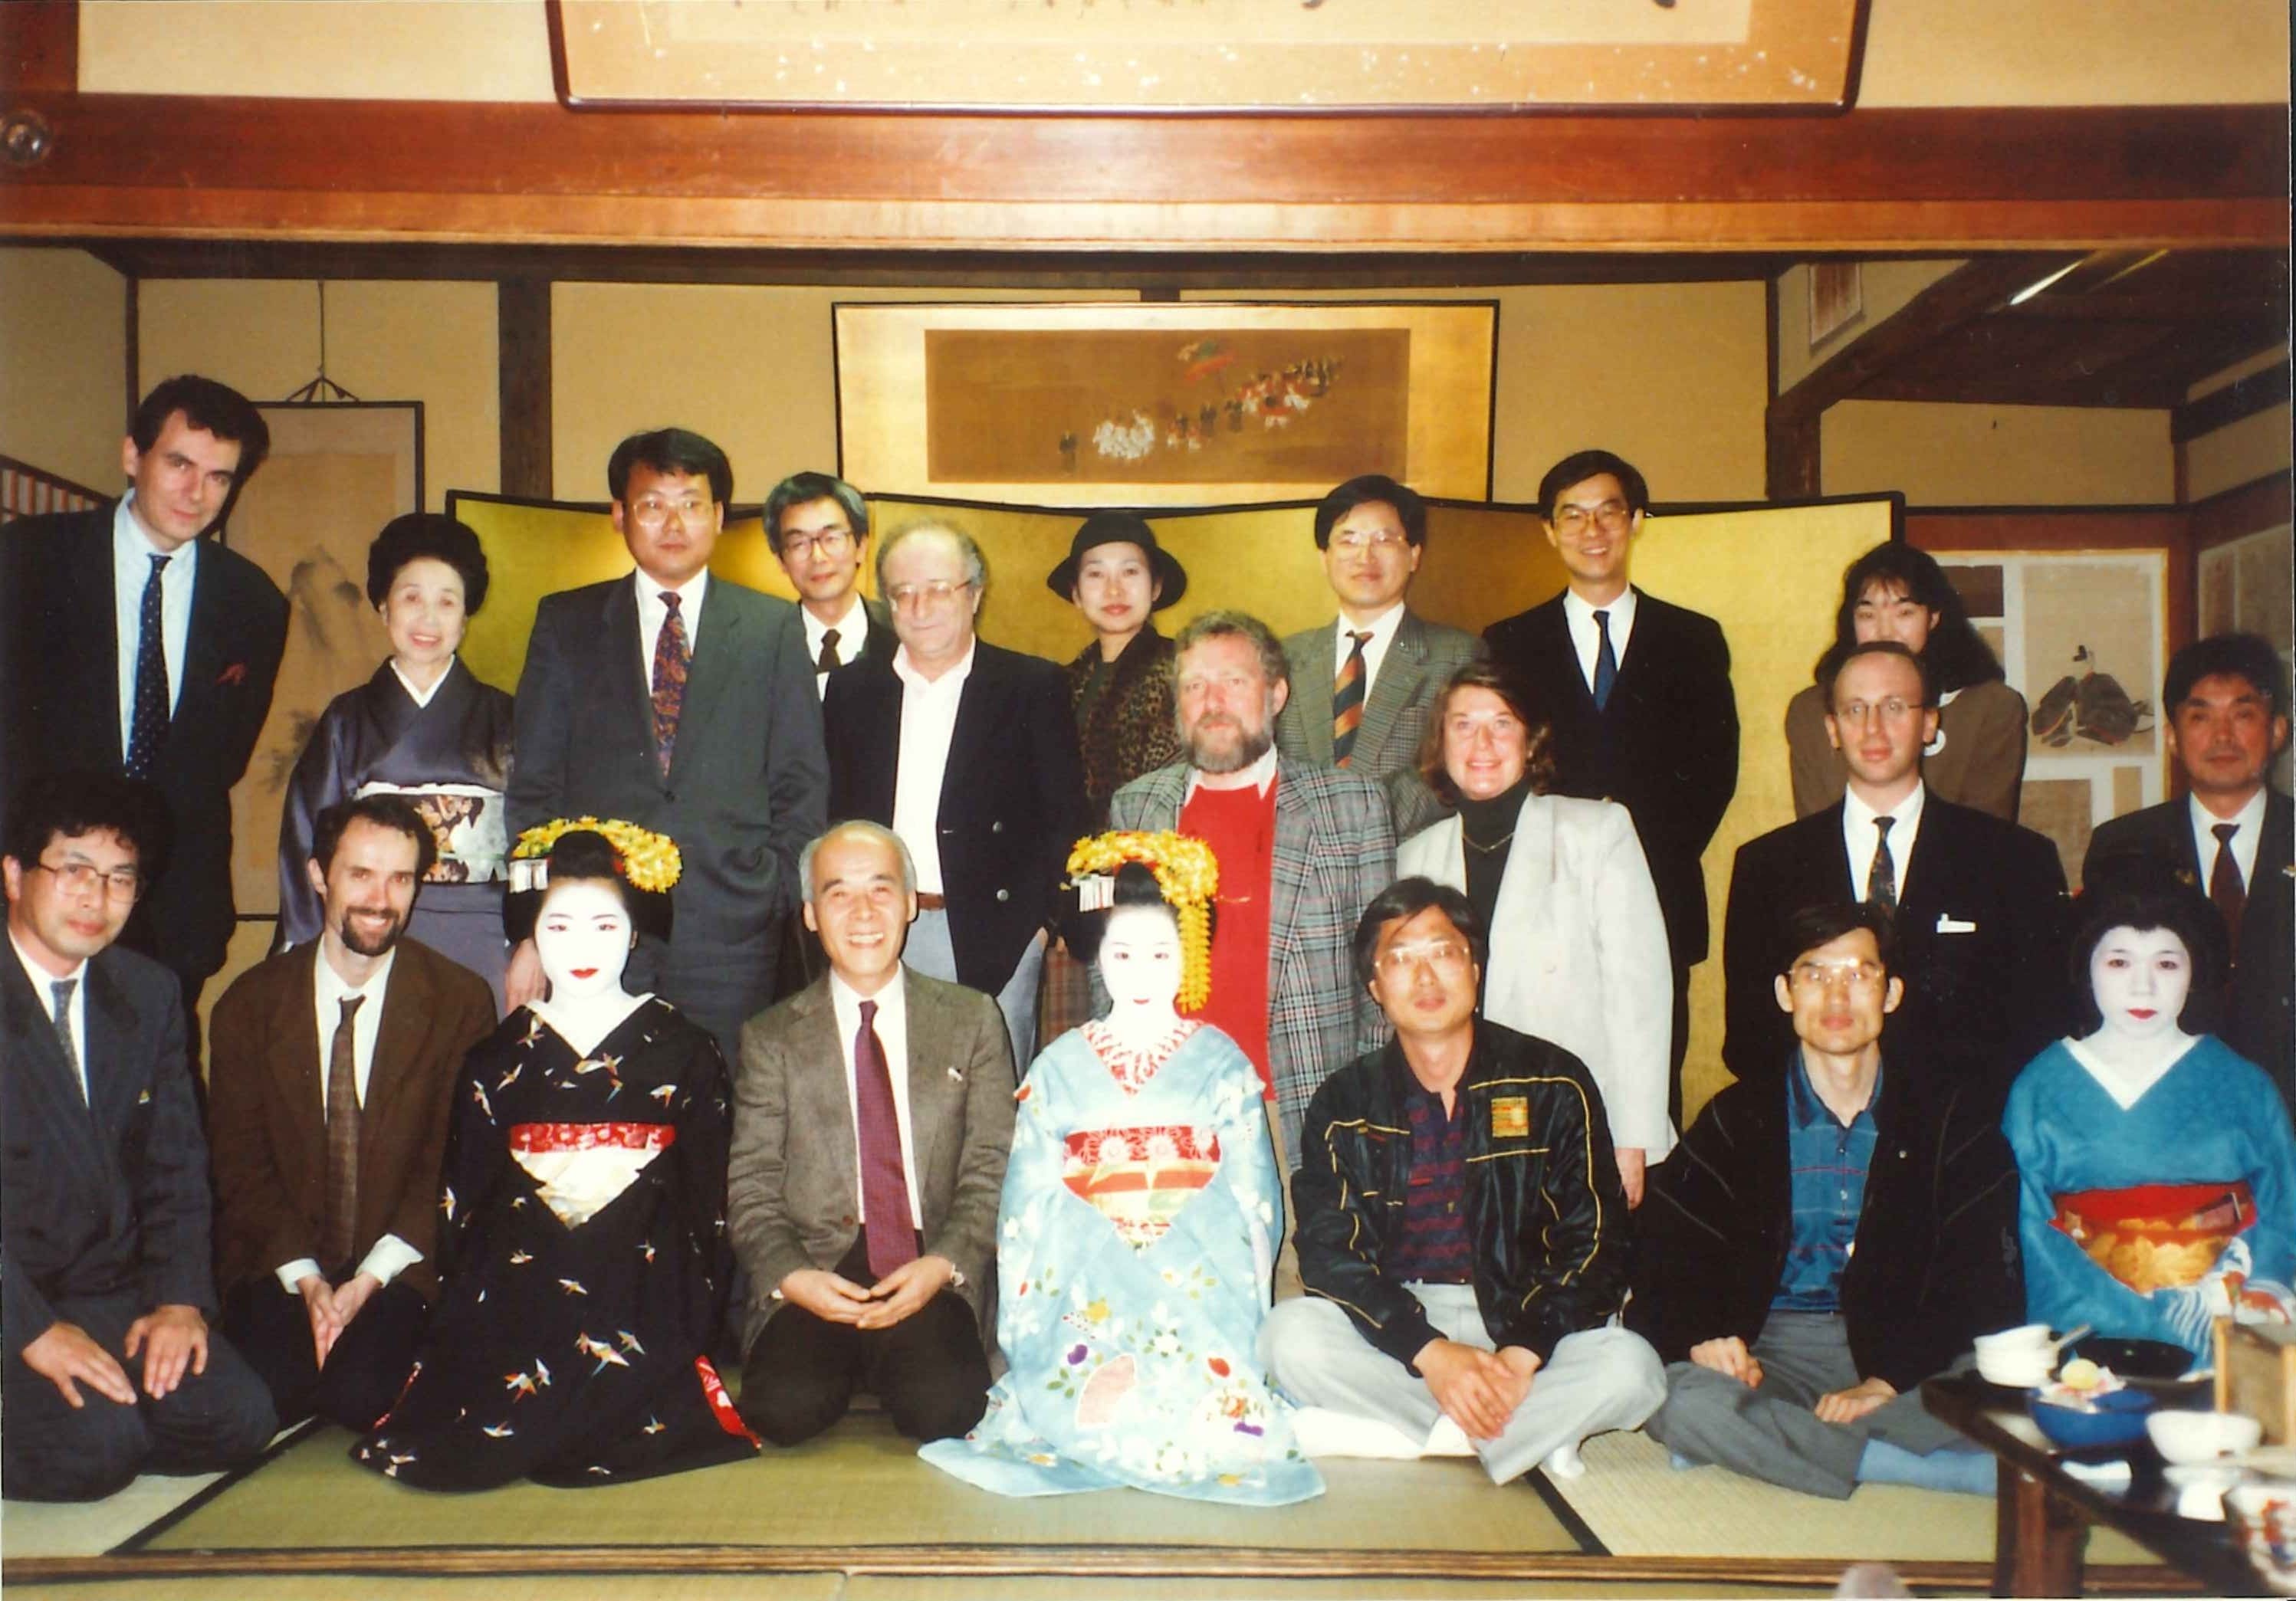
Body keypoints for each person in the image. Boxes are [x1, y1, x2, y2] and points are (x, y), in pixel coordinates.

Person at [356, 824, 757, 1487]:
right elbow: (465, 1201)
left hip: (641, 1281)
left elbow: (706, 1200)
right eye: (560, 926)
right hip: (523, 1279)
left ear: (634, 934)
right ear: (532, 936)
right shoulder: (497, 1056)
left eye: (605, 926)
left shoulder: (685, 1048)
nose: (582, 947)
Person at [921, 843, 1322, 1504]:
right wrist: (1023, 1310)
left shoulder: (1221, 1060)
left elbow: (1255, 1200)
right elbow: (1026, 1198)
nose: (1140, 971)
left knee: (1208, 1400)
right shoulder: (1059, 1062)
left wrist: (1251, 1301)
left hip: (1197, 1262)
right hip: (1081, 1263)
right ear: (1099, 957)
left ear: (1188, 956)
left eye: (1160, 954)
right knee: (1069, 1380)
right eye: (1123, 953)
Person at [1260, 879, 1662, 1485]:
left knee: (1633, 1369)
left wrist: (1523, 1351)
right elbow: (1328, 1254)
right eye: (1400, 959)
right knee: (1286, 1337)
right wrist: (1431, 1351)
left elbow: (1596, 1243)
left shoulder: (1554, 1079)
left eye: (1442, 953)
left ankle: (1418, 1432)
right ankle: (1530, 1434)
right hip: (1404, 1324)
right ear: (1374, 986)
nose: (1425, 978)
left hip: (1522, 1319)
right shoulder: (1343, 1100)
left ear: (1474, 968)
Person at [1634, 903, 2018, 1499]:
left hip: (1905, 1351)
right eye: (1814, 974)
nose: (1836, 995)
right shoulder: (1737, 1118)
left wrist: (1886, 1382)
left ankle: (1769, 1444)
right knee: (1675, 1396)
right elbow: (1669, 1254)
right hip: (1772, 1354)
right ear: (1785, 993)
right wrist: (1706, 1336)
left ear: (1891, 993)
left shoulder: (1950, 1120)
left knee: (2004, 1380)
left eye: (1858, 974)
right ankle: (1918, 1468)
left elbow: (1977, 1278)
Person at [505, 428, 827, 1065]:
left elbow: (801, 781)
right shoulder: (565, 623)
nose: (673, 522)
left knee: (724, 1116)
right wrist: (532, 927)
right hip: (595, 931)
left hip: (732, 932)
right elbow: (533, 788)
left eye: (691, 503)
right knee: (600, 1113)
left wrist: (770, 892)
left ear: (717, 516)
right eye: (653, 504)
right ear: (620, 515)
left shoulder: (772, 628)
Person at [2, 771, 276, 1501]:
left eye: (121, 878)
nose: (97, 898)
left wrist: (180, 1301)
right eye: (75, 871)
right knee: (100, 1454)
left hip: (105, 1294)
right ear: (13, 873)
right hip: (12, 1297)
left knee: (241, 1421)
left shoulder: (148, 993)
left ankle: (93, 1417)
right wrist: (31, 1331)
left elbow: (178, 1168)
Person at [1, 376, 288, 1025]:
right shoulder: (28, 560)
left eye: (220, 477)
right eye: (180, 463)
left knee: (148, 1106)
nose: (197, 492)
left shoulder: (254, 603)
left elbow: (223, 758)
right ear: (133, 455)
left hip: (172, 908)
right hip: (34, 886)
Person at [208, 796, 496, 1433]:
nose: (380, 898)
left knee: (359, 1397)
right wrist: (310, 1283)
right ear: (318, 876)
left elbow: (448, 1161)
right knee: (273, 1395)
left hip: (398, 1259)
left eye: (400, 878)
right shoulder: (248, 1005)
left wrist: (366, 1281)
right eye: (360, 874)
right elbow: (241, 1166)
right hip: (282, 1257)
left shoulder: (458, 1000)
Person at [728, 821, 1016, 1448]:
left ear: (911, 903)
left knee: (944, 1409)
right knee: (781, 1410)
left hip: (924, 1257)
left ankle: (893, 1357)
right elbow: (750, 1185)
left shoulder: (972, 1018)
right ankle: (846, 1357)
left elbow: (993, 1167)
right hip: (817, 1266)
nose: (862, 912)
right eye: (838, 893)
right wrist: (793, 1276)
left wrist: (943, 1265)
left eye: (881, 890)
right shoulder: (772, 1036)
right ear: (809, 914)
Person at [1481, 450, 1736, 1123]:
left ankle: (1646, 1226)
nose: (1592, 529)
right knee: (1535, 1086)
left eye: (1609, 511)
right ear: (1547, 529)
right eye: (1572, 514)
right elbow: (1497, 771)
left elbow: (1714, 772)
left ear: (1637, 521)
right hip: (1540, 892)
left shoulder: (1692, 638)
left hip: (1657, 890)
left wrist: (1632, 859)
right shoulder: (1507, 642)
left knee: (1648, 1084)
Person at [1723, 640, 2068, 1107]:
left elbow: (2041, 1025)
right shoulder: (1767, 865)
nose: (1873, 729)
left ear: (1929, 723)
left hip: (1966, 1134)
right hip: (1818, 1136)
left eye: (1894, 707)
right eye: (1855, 710)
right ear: (1832, 729)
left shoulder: (2015, 860)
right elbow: (1750, 1036)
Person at [1107, 610, 1394, 1166]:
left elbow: (1380, 974)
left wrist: (1367, 1103)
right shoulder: (1137, 806)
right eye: (1194, 685)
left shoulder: (1350, 804)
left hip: (1303, 1109)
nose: (1212, 700)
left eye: (1234, 681)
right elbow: (1110, 965)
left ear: (1276, 693)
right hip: (1171, 1109)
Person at [1398, 660, 1673, 1206]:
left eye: (1501, 723)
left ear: (1529, 741)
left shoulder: (1596, 831)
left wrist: (1632, 1135)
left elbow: (1638, 995)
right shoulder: (1413, 857)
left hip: (1572, 1120)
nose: (1482, 742)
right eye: (1462, 724)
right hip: (1456, 1132)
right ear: (1440, 741)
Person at [823, 522, 1087, 1067]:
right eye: (903, 591)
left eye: (939, 588)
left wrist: (1038, 926)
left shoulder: (1031, 685)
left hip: (994, 929)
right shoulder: (853, 690)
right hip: (876, 921)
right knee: (884, 1086)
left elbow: (1063, 816)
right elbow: (834, 811)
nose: (920, 606)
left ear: (974, 593)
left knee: (989, 1107)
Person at [2002, 890, 2296, 1365]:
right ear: (2087, 969)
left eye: (2166, 965)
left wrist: (2256, 1288)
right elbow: (2030, 1222)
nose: (2143, 988)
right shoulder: (2040, 1085)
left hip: (2225, 1313)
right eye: (2119, 963)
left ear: (2194, 973)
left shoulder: (2244, 1082)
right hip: (2088, 1321)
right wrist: (2121, 1318)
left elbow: (2284, 1200)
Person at [277, 513, 517, 1011]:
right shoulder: (346, 720)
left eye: (447, 602)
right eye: (411, 598)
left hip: (489, 933)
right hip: (374, 926)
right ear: (384, 607)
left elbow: (538, 837)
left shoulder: (508, 716)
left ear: (466, 615)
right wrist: (309, 948)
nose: (428, 619)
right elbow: (307, 840)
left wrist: (533, 937)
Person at [2084, 633, 2291, 1107]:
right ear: (2174, 737)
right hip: (2168, 1104)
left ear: (2278, 730)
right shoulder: (2124, 845)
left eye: (2243, 715)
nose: (2223, 737)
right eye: (2201, 717)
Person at [1273, 475, 1483, 840]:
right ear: (1324, 558)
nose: (1365, 556)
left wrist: (1361, 831)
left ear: (1414, 555)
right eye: (1348, 540)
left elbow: (1448, 771)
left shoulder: (1456, 654)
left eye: (1384, 540)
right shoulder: (1285, 658)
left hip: (1408, 866)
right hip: (1298, 864)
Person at [1784, 543, 2026, 822]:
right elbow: (1814, 832)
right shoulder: (1811, 710)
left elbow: (1987, 833)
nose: (1885, 631)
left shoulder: (1990, 708)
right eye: (1867, 615)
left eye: (1904, 613)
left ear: (1933, 618)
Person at [1047, 510, 1187, 828]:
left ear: (1155, 588)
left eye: (1130, 572)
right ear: (1077, 594)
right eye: (1096, 575)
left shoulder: (1187, 671)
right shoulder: (1060, 683)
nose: (1114, 590)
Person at [767, 471, 893, 697]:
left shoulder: (905, 633)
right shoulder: (761, 647)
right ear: (781, 561)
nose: (818, 556)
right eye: (799, 544)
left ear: (861, 547)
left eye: (832, 539)